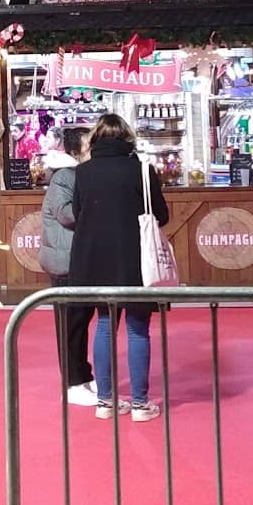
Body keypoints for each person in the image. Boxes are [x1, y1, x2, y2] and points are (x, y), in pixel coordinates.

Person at [70, 114, 169, 422]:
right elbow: (161, 215)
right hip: (135, 258)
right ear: (128, 139)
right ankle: (140, 404)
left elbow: (77, 212)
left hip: (95, 259)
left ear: (95, 140)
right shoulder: (141, 171)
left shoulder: (83, 173)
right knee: (137, 328)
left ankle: (106, 402)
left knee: (103, 325)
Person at [38, 124, 95, 404]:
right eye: (89, 146)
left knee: (80, 320)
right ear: (75, 151)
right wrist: (97, 204)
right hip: (65, 259)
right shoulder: (65, 177)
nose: (93, 151)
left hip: (75, 257)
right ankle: (73, 381)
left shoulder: (76, 175)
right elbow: (65, 214)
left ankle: (83, 375)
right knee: (71, 323)